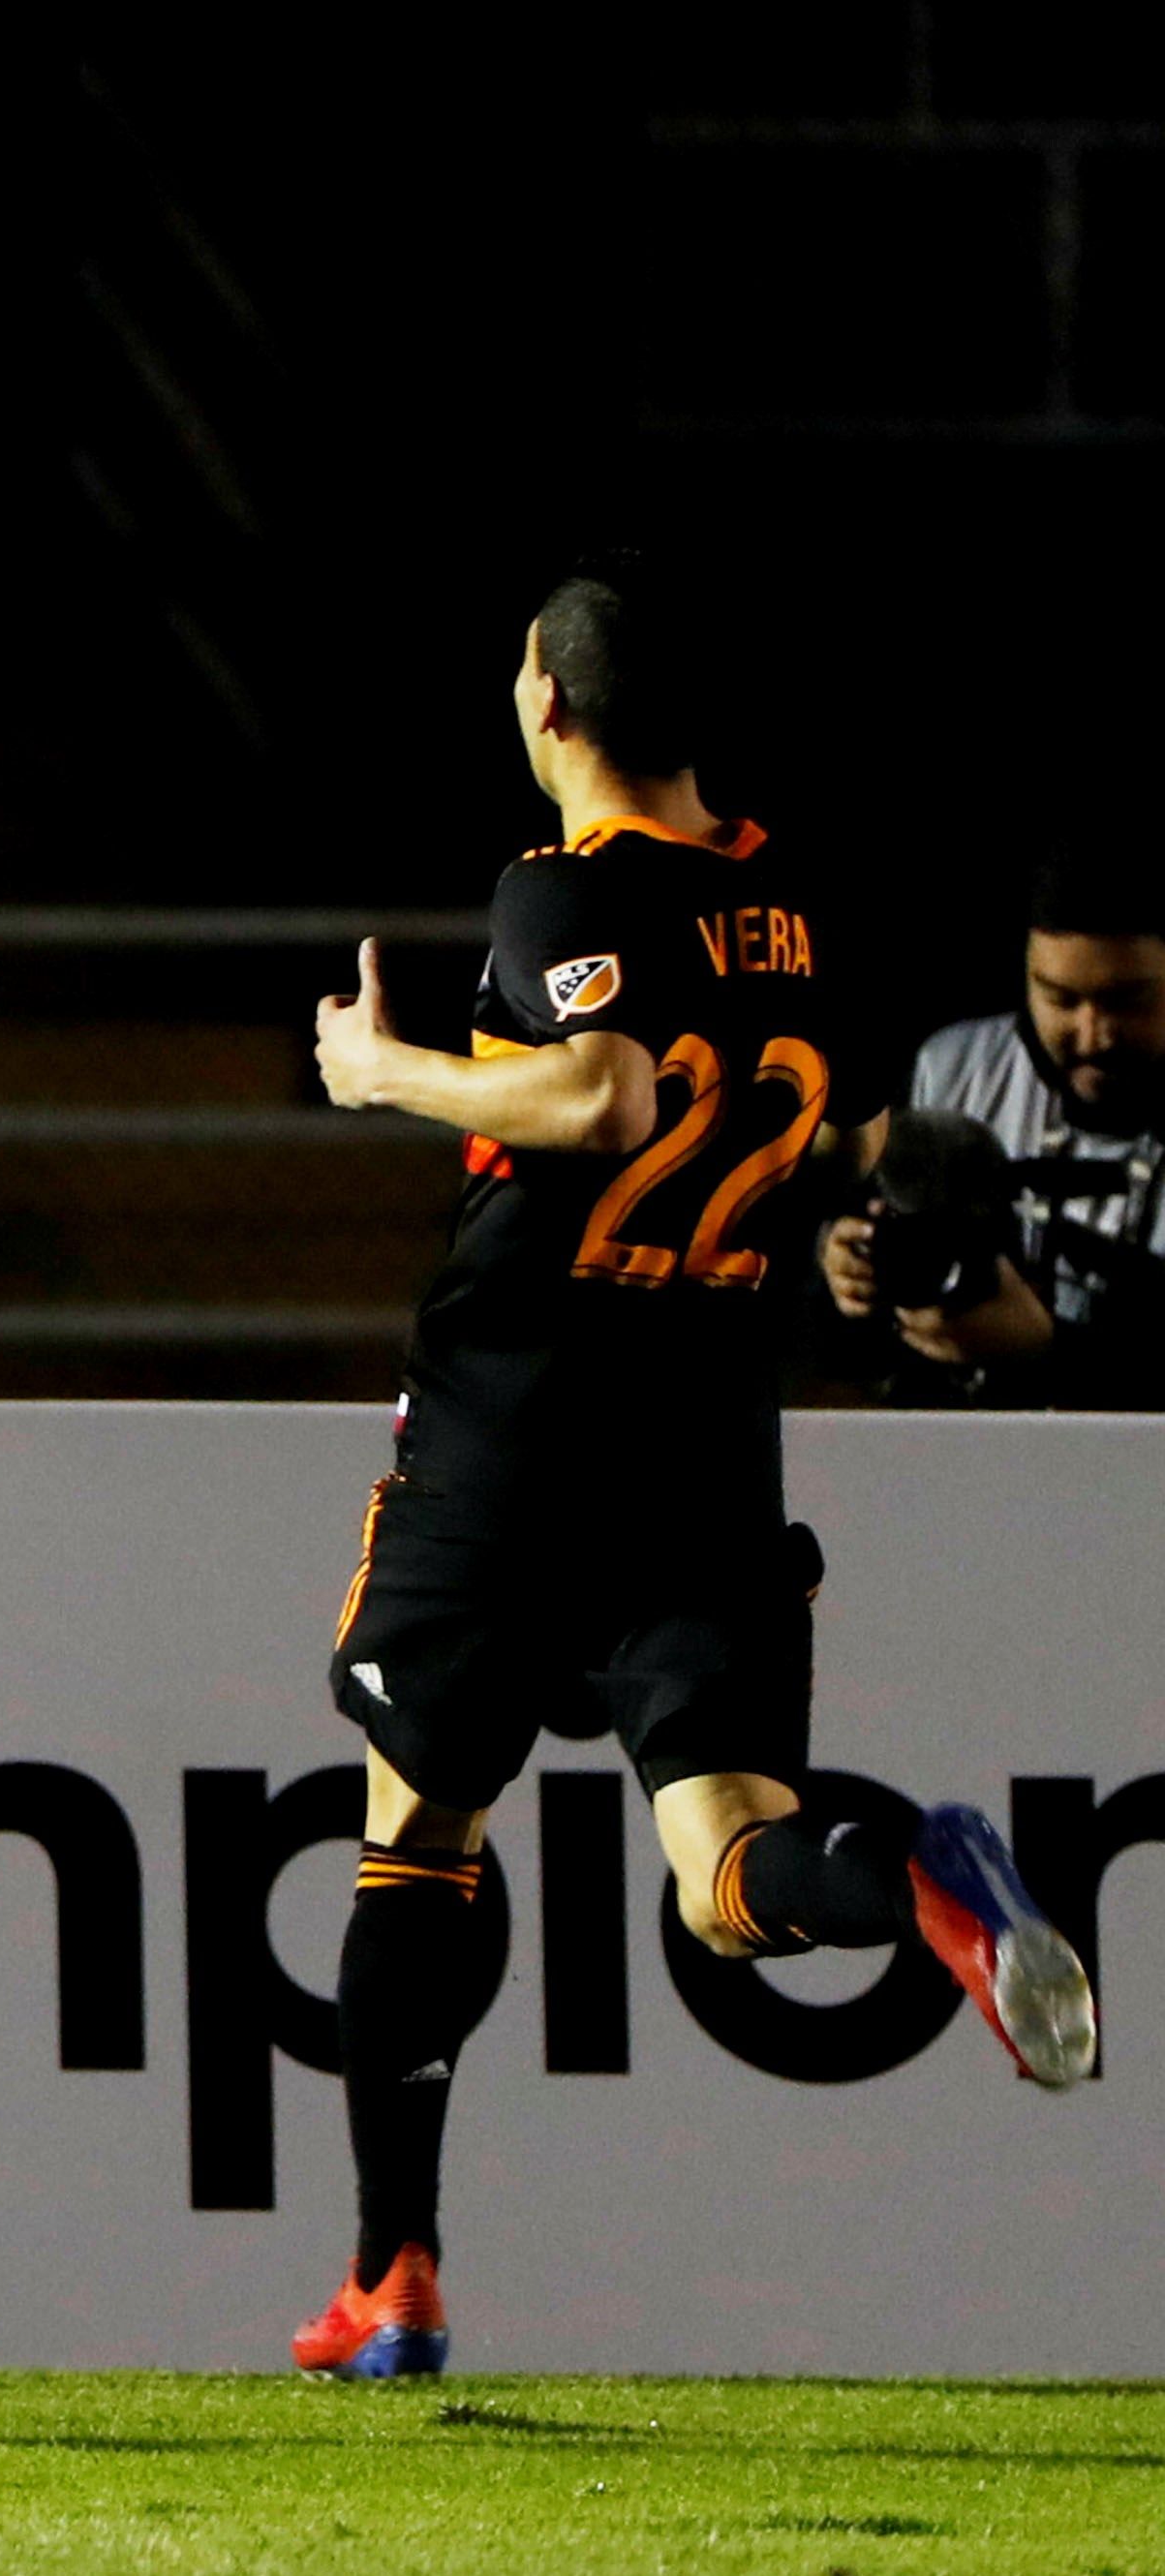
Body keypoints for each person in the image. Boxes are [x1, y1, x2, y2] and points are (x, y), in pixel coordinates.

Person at [296, 557, 1098, 2378]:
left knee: (417, 1827)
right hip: (702, 1434)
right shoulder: (790, 902)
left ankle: (388, 2278)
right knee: (728, 1878)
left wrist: (383, 1068)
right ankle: (909, 1877)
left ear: (550, 711)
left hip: (517, 1426)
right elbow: (830, 1127)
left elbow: (600, 1097)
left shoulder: (563, 888)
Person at [816, 868, 1165, 1407]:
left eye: (1129, 1001)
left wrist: (1054, 1351)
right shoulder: (955, 1070)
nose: (1093, 1034)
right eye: (1060, 999)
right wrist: (844, 1260)